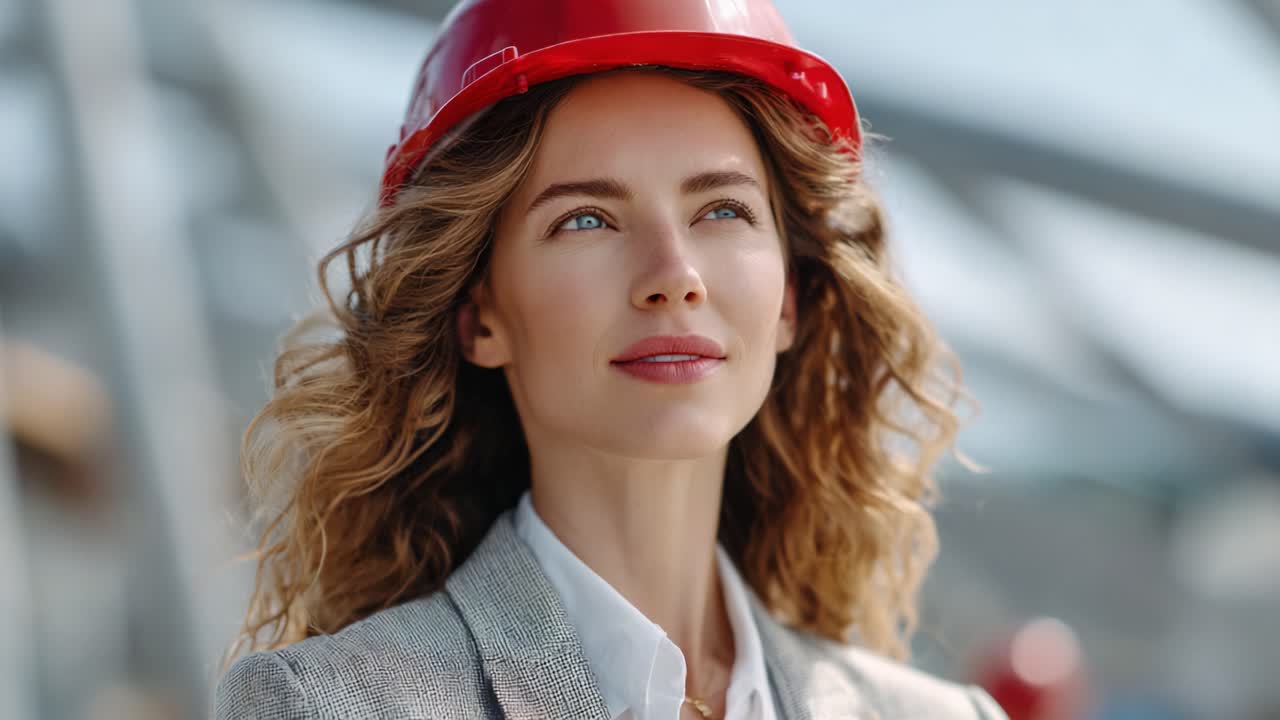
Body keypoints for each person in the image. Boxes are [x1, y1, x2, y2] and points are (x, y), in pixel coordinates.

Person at [214, 0, 1007, 718]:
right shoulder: (326, 706)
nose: (675, 276)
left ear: (790, 300)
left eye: (722, 210)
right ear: (478, 315)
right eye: (587, 220)